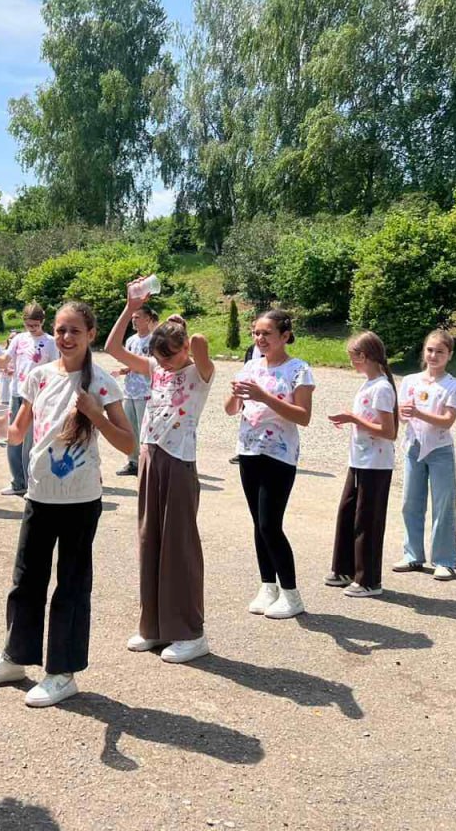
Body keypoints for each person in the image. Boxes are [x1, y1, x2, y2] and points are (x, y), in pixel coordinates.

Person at [0, 302, 134, 707]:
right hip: (39, 494)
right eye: (60, 330)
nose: (66, 337)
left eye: (75, 330)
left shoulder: (102, 384)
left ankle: (62, 672)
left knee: (71, 586)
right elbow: (18, 433)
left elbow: (130, 444)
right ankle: (15, 657)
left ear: (91, 334)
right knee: (26, 580)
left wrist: (96, 415)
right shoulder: (39, 377)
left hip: (81, 500)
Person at [106, 281, 215, 664]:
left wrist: (180, 328)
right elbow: (112, 348)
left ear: (183, 349)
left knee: (179, 546)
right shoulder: (156, 368)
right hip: (150, 456)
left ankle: (191, 633)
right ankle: (153, 626)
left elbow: (200, 342)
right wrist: (130, 306)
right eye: (159, 357)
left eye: (169, 355)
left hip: (179, 462)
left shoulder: (200, 374)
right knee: (149, 540)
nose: (163, 363)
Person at [225, 310, 314, 619]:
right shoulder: (250, 366)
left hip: (279, 454)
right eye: (256, 333)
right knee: (257, 523)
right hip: (249, 450)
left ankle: (291, 594)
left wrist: (264, 396)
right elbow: (230, 409)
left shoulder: (298, 369)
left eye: (266, 333)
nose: (259, 339)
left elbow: (303, 416)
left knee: (269, 525)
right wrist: (234, 395)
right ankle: (268, 586)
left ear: (285, 336)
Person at [326, 331, 397, 597]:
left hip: (376, 464)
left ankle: (369, 579)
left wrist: (354, 419)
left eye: (352, 357)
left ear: (364, 356)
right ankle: (344, 568)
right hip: (359, 460)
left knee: (367, 520)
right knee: (347, 512)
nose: (351, 362)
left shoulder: (382, 388)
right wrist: (351, 419)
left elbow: (389, 431)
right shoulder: (368, 384)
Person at [392, 330, 456, 581]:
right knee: (410, 502)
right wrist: (403, 413)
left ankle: (444, 560)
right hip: (413, 447)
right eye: (430, 350)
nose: (433, 356)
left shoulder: (453, 385)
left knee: (443, 505)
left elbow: (447, 421)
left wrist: (418, 413)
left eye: (440, 352)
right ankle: (412, 554)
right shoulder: (410, 380)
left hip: (440, 450)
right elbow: (402, 417)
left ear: (449, 355)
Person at [0, 304, 59, 497]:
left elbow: (55, 368)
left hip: (37, 397)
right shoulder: (19, 339)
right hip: (17, 393)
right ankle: (18, 482)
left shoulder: (50, 342)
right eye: (28, 325)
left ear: (42, 321)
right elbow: (4, 360)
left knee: (31, 443)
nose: (32, 328)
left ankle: (31, 483)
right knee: (13, 438)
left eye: (35, 325)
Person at [116, 305, 158, 476]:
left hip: (146, 391)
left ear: (148, 319)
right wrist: (124, 370)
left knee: (145, 428)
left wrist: (135, 367)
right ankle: (133, 461)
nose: (134, 320)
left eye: (137, 317)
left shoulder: (154, 340)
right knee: (130, 428)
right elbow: (129, 363)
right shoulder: (130, 341)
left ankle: (147, 462)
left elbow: (155, 366)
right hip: (129, 391)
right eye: (132, 317)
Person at [228, 341, 259, 467]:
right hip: (248, 392)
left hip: (263, 392)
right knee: (247, 418)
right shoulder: (251, 350)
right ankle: (244, 450)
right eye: (255, 333)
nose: (258, 337)